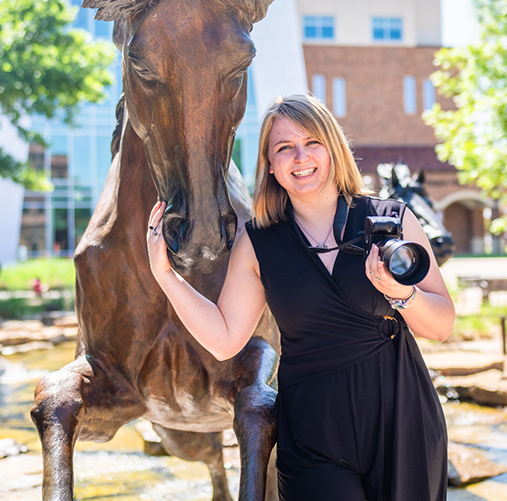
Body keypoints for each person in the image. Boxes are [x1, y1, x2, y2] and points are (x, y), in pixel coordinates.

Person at [146, 94, 454, 500]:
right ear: (271, 165)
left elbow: (443, 326)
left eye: (312, 143)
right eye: (284, 148)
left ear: (333, 149)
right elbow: (225, 339)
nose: (300, 157)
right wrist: (166, 276)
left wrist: (401, 295)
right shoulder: (256, 242)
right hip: (313, 436)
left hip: (402, 420)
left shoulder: (393, 219)